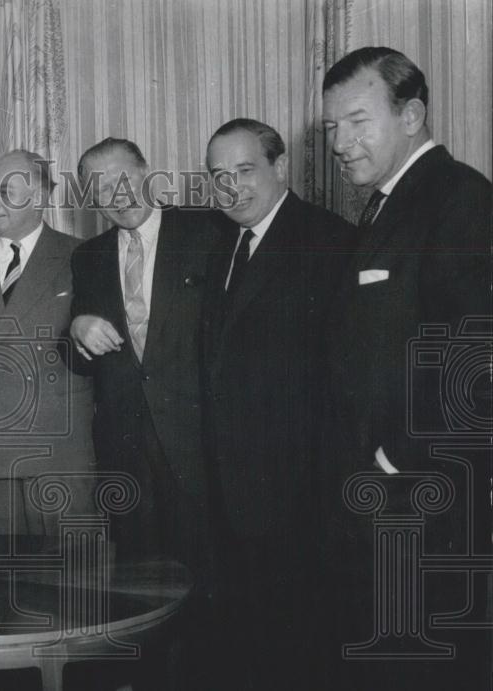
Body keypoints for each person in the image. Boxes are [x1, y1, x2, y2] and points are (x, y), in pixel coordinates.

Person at [321, 47, 491, 689]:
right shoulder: (390, 201)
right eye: (333, 127)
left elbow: (475, 355)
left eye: (358, 122)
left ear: (412, 114)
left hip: (421, 501)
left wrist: (402, 461)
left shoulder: (459, 197)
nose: (341, 143)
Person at [200, 118, 354, 690]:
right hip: (231, 497)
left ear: (280, 167)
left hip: (300, 498)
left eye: (245, 170)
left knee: (300, 653)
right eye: (219, 176)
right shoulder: (220, 240)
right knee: (248, 648)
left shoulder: (329, 240)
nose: (232, 187)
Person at [69, 138, 218, 689]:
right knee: (138, 592)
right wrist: (78, 330)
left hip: (197, 446)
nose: (116, 194)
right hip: (125, 452)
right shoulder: (87, 257)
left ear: (149, 175)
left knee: (203, 588)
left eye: (124, 178)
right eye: (101, 187)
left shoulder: (209, 233)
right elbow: (82, 362)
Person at [0, 150, 96, 538]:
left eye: (6, 191)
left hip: (59, 455)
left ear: (41, 198)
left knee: (70, 584)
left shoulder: (83, 256)